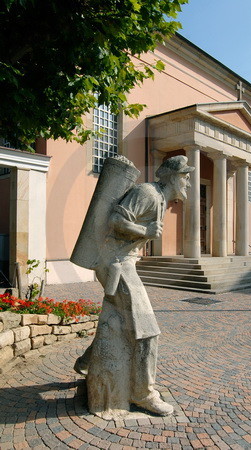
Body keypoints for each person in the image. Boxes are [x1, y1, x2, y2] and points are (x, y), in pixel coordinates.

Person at [74, 155, 194, 419]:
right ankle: (143, 393)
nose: (188, 182)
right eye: (185, 176)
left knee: (117, 321)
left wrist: (144, 232)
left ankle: (86, 362)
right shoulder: (148, 193)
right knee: (147, 331)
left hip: (124, 261)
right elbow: (116, 221)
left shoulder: (160, 199)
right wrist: (145, 231)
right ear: (172, 177)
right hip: (115, 262)